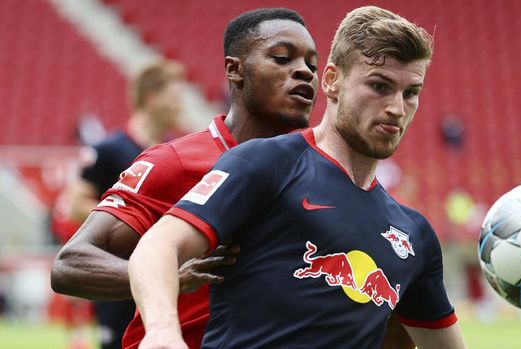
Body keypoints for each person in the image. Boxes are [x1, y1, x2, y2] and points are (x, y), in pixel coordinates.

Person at [128, 6, 467, 349]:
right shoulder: (266, 162)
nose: (396, 108)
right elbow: (158, 246)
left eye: (410, 92)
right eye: (379, 86)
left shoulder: (414, 235)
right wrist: (162, 332)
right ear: (332, 81)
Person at [52, 8, 318, 349]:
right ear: (235, 70)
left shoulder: (322, 172)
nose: (303, 72)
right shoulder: (174, 162)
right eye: (282, 58)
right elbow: (69, 263)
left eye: (312, 65)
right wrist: (167, 277)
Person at [55, 59, 185, 349]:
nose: (181, 107)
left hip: (164, 272)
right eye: (175, 98)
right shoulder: (108, 149)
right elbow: (76, 204)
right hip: (119, 275)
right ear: (151, 98)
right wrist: (134, 224)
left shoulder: (176, 151)